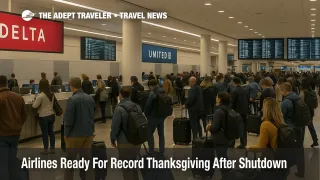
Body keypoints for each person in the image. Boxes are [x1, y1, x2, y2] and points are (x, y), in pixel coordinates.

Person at [246, 97, 288, 180]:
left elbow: (260, 148)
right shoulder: (281, 122)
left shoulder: (266, 124)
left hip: (270, 161)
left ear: (266, 109)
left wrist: (249, 148)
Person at [63, 77, 95, 180]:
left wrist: (66, 134)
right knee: (87, 162)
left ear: (72, 86)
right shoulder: (90, 98)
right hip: (88, 134)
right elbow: (91, 116)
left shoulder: (72, 100)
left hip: (74, 136)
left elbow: (68, 120)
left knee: (70, 163)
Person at [110, 86, 141, 180]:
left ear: (120, 95)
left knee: (127, 168)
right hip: (136, 141)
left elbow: (115, 127)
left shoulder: (118, 109)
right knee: (134, 165)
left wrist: (112, 139)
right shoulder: (137, 107)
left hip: (124, 142)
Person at [0, 75, 27, 180]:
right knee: (12, 160)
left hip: (2, 135)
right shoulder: (18, 97)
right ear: (7, 83)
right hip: (15, 134)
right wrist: (18, 126)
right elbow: (24, 115)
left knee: (2, 163)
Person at [280, 82, 305, 178]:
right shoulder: (298, 97)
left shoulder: (286, 101)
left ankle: (285, 171)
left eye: (282, 91)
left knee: (287, 151)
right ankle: (301, 171)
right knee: (299, 149)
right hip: (300, 127)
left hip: (290, 129)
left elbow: (282, 116)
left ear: (285, 91)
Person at [205, 92, 231, 179]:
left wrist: (209, 127)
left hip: (220, 138)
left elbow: (215, 127)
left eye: (217, 97)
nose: (216, 98)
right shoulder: (229, 109)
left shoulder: (218, 111)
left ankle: (226, 176)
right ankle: (229, 174)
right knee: (224, 156)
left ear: (220, 99)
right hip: (228, 137)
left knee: (222, 158)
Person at [32, 79, 56, 154]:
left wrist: (34, 100)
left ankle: (46, 149)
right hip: (52, 115)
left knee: (45, 133)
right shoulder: (52, 94)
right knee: (51, 132)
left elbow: (34, 106)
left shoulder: (41, 95)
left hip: (44, 116)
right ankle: (52, 148)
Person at [144, 79, 166, 153]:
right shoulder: (163, 91)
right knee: (161, 134)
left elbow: (148, 105)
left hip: (153, 116)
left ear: (150, 86)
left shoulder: (152, 93)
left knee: (149, 133)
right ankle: (162, 150)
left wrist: (146, 114)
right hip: (162, 116)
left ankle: (151, 150)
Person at [230, 77, 249, 149]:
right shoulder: (244, 90)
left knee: (234, 127)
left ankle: (232, 142)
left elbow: (232, 102)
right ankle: (243, 143)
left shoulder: (234, 90)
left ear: (234, 82)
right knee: (244, 128)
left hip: (236, 112)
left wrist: (230, 111)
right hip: (244, 111)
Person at [299, 79, 319, 147]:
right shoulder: (312, 92)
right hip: (311, 112)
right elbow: (316, 104)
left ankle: (300, 143)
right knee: (311, 126)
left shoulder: (302, 92)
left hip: (304, 113)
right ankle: (315, 140)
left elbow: (300, 103)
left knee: (302, 128)